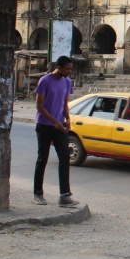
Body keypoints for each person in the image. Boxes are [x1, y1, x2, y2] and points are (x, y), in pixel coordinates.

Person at [33, 56, 79, 207]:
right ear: (58, 67)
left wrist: (68, 119)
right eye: (67, 69)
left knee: (65, 157)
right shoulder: (45, 81)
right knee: (42, 159)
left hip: (59, 125)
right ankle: (38, 193)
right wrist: (54, 121)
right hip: (44, 125)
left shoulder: (67, 81)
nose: (69, 71)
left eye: (70, 69)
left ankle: (65, 195)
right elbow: (39, 105)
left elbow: (64, 103)